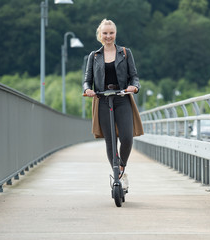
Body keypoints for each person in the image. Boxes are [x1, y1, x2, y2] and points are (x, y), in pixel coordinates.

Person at [83, 19, 143, 190]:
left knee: (126, 137)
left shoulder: (125, 52)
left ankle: (121, 167)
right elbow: (87, 80)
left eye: (111, 33)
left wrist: (134, 87)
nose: (108, 36)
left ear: (115, 33)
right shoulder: (94, 56)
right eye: (105, 33)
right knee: (110, 141)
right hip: (102, 100)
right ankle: (117, 175)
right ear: (100, 35)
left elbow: (134, 76)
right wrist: (88, 90)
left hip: (122, 98)